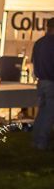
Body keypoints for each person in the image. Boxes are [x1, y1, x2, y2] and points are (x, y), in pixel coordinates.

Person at [30, 17, 54, 150]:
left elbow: (34, 62)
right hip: (51, 82)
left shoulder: (39, 43)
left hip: (41, 81)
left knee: (41, 112)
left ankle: (35, 140)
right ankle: (42, 142)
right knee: (49, 114)